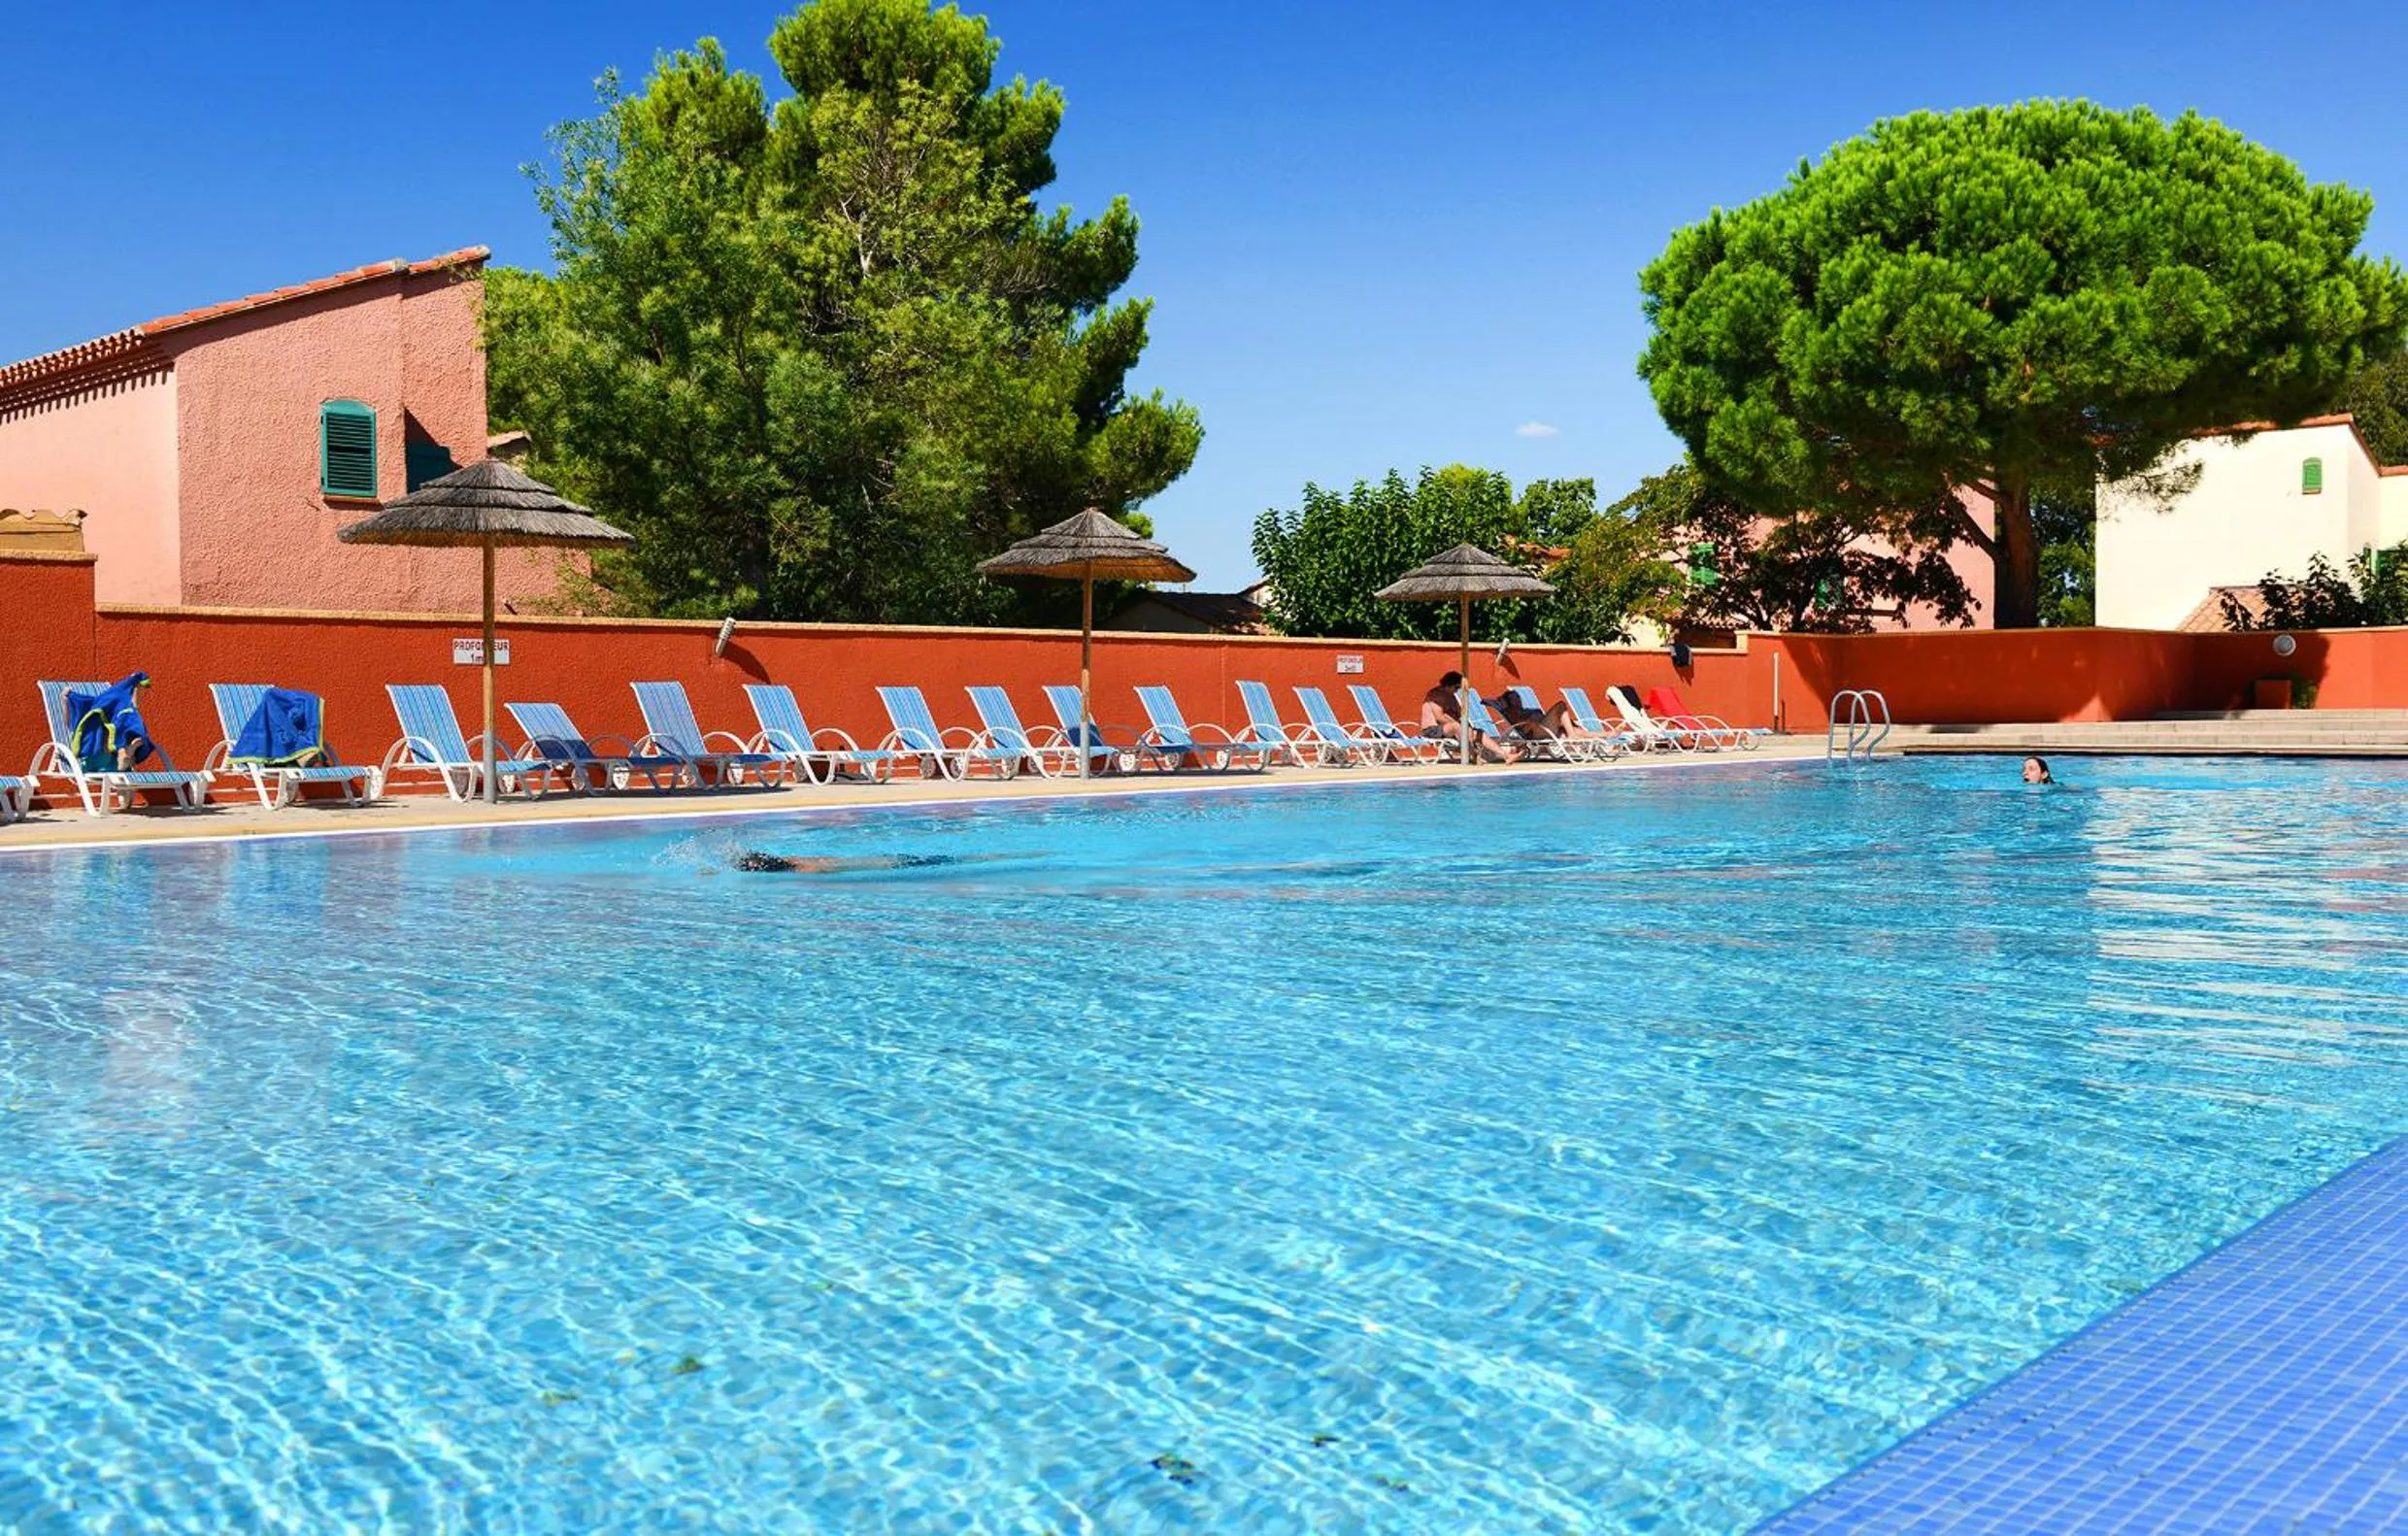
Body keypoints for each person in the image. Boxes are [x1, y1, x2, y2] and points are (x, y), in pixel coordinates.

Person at [1420, 672, 1520, 763]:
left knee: (1479, 732)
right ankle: (1474, 756)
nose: (1457, 691)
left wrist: (1468, 728)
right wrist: (1461, 727)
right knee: (1457, 727)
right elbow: (1439, 718)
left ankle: (1506, 756)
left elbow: (1459, 716)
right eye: (1456, 687)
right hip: (1432, 730)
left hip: (1451, 729)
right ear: (1448, 685)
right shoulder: (1436, 695)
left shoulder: (1452, 696)